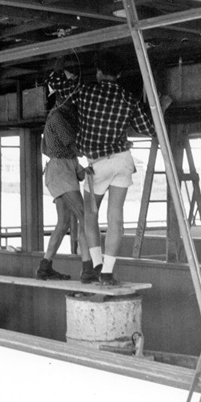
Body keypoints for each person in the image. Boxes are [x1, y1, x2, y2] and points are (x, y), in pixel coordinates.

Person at [47, 51, 160, 286]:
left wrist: (61, 69)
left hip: (97, 164)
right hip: (122, 160)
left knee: (90, 214)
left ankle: (97, 264)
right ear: (118, 74)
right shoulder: (129, 99)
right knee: (116, 217)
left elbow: (57, 85)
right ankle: (108, 271)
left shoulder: (86, 92)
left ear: (98, 72)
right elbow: (149, 128)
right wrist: (163, 108)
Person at [38, 90, 92, 281]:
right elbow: (73, 145)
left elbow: (51, 149)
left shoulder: (60, 115)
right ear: (60, 98)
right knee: (84, 216)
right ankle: (88, 269)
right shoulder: (58, 116)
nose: (72, 100)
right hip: (61, 167)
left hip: (62, 166)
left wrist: (79, 167)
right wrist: (96, 153)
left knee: (64, 223)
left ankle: (44, 268)